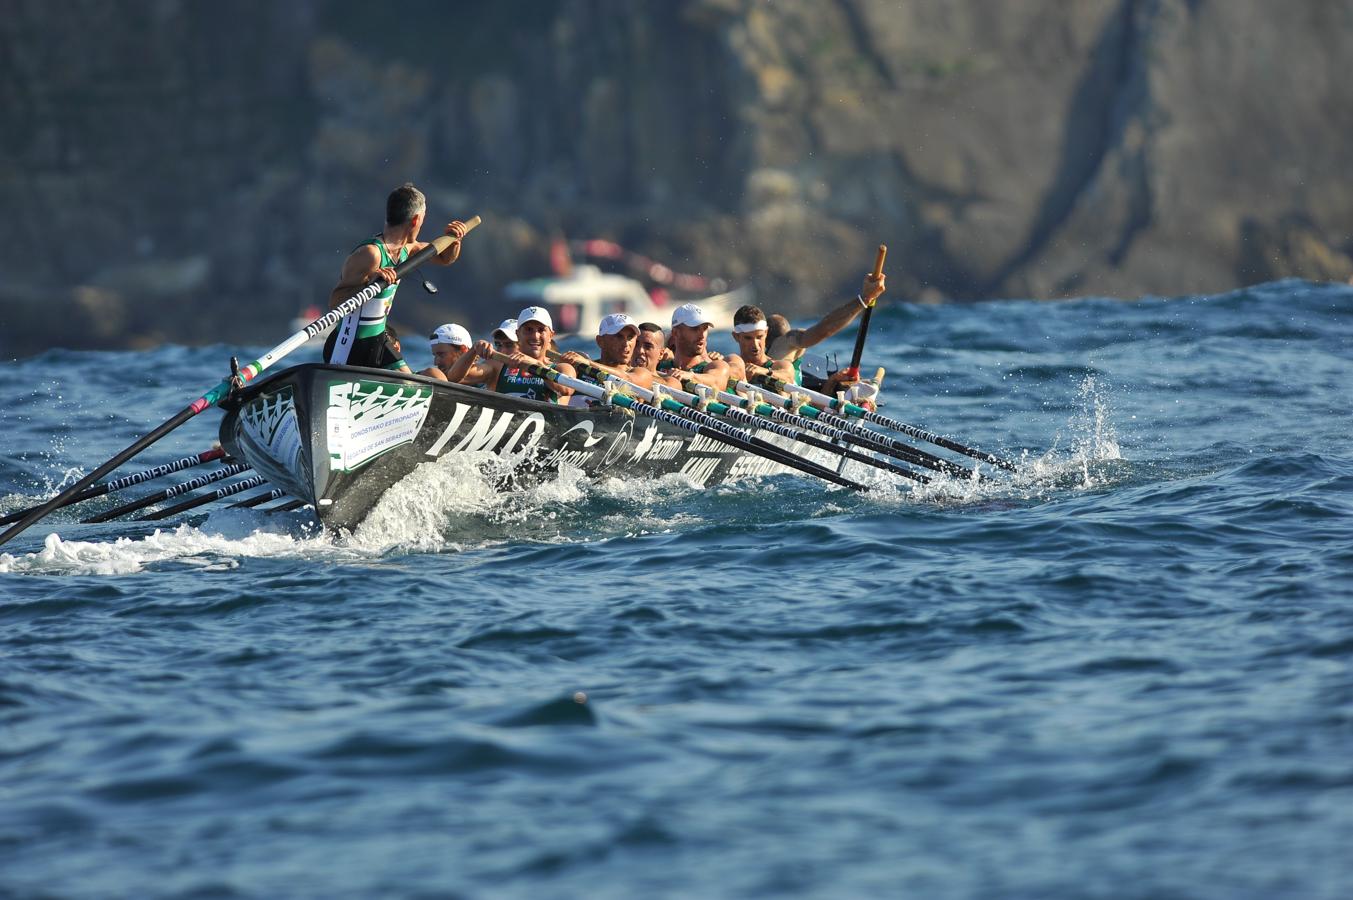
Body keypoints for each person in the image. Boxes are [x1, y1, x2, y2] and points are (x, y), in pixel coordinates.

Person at [325, 183, 469, 372]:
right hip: (348, 344)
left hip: (379, 340)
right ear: (416, 220)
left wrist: (454, 240)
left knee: (433, 377)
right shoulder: (370, 254)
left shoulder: (408, 249)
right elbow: (335, 303)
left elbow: (444, 258)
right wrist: (369, 282)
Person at [764, 271, 887, 385]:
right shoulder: (785, 343)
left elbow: (824, 329)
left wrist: (834, 381)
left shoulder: (786, 342)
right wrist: (865, 298)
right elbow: (823, 330)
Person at [446, 306, 575, 403]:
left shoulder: (562, 368)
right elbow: (453, 378)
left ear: (551, 335)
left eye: (541, 330)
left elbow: (566, 389)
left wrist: (536, 364)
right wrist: (473, 350)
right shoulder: (498, 366)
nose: (535, 336)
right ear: (518, 334)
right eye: (528, 330)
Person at [560, 313, 657, 397]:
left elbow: (625, 380)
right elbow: (564, 389)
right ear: (600, 341)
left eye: (630, 337)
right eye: (619, 337)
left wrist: (588, 363)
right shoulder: (580, 369)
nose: (626, 344)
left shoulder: (642, 374)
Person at [656, 303, 730, 391]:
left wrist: (691, 376)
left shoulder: (717, 365)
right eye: (695, 329)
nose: (702, 335)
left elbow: (717, 383)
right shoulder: (659, 364)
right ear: (676, 333)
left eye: (705, 328)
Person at [724, 304, 799, 386]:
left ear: (766, 333)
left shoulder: (780, 366)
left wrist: (763, 371)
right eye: (748, 338)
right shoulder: (731, 366)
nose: (755, 345)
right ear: (736, 336)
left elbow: (788, 377)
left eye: (759, 337)